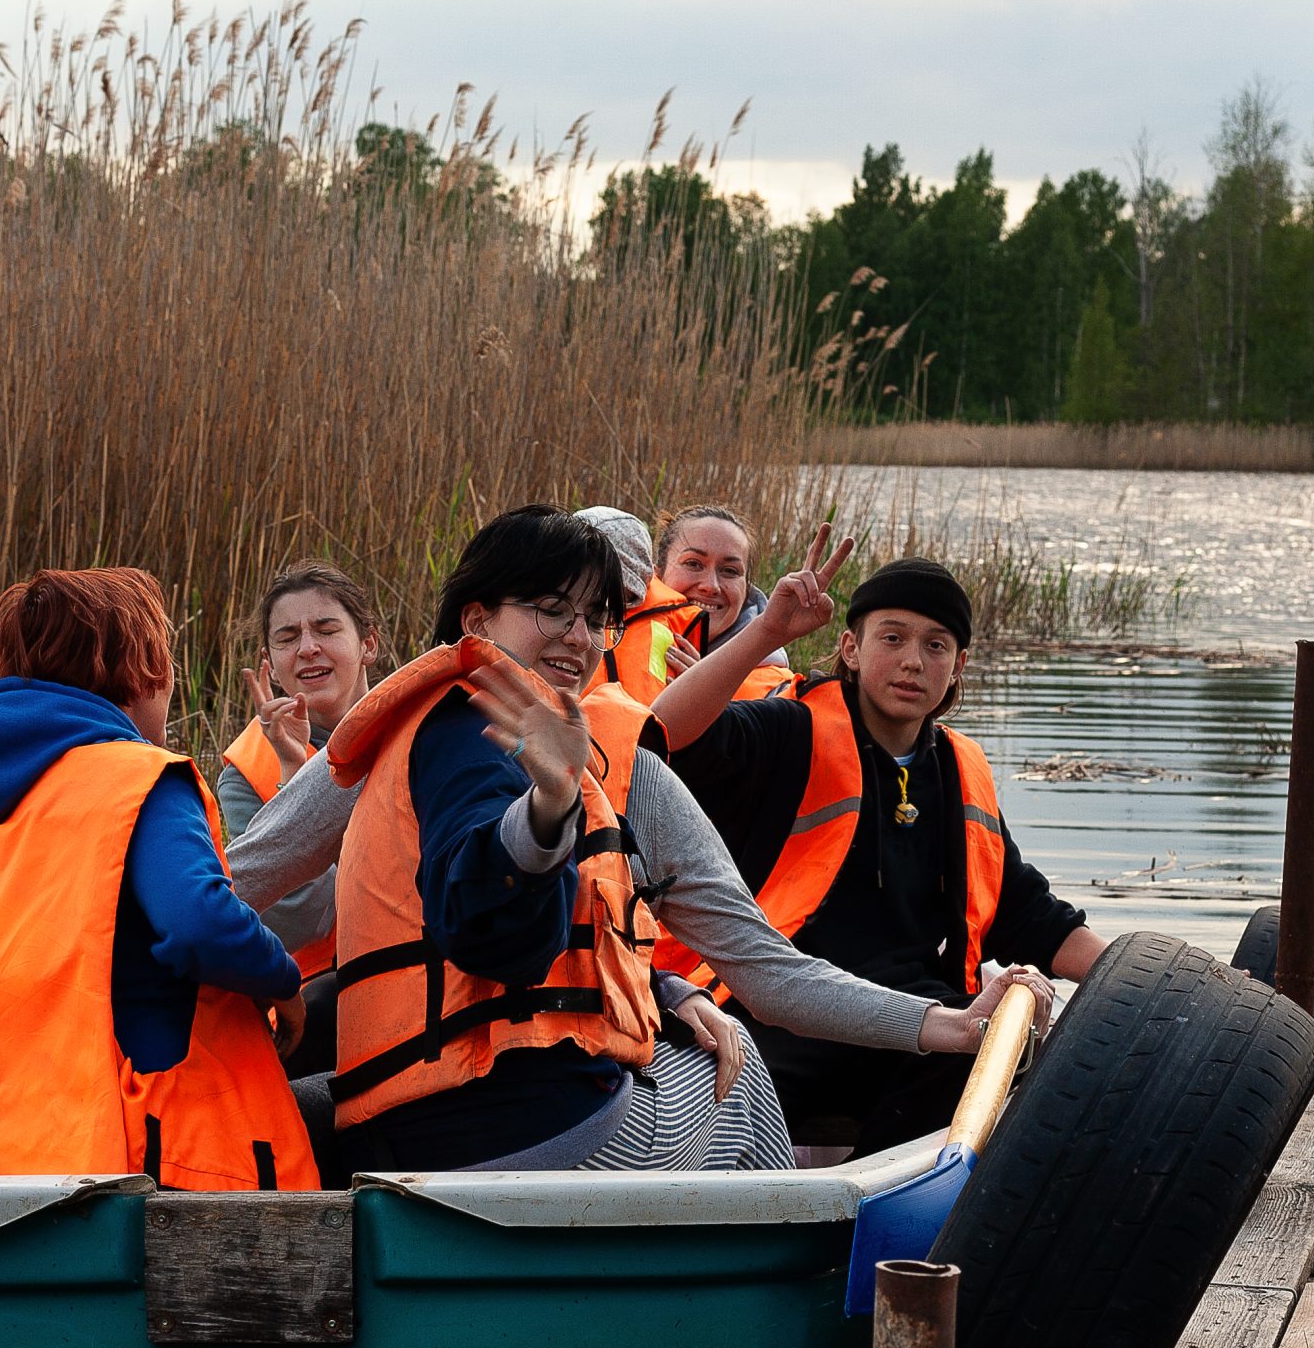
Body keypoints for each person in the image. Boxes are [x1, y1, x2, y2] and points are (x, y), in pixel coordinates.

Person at [227, 506, 1050, 1175]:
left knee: (712, 1027)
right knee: (744, 1072)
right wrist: (549, 805)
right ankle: (775, 1310)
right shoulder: (608, 760)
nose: (579, 638)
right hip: (534, 1128)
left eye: (595, 618)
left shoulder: (391, 727)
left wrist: (941, 1023)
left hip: (400, 1119)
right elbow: (757, 974)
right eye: (552, 611)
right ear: (477, 616)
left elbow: (232, 882)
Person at [0, 567, 319, 1191]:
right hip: (131, 1162)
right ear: (140, 671)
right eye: (164, 662)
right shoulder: (139, 779)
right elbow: (199, 921)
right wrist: (282, 983)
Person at [652, 549, 1107, 1156]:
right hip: (784, 1013)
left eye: (936, 646)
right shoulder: (789, 730)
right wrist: (768, 631)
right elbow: (661, 739)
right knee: (728, 1086)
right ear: (851, 649)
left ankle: (883, 1223)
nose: (913, 661)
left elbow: (1028, 914)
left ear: (958, 667)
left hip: (918, 1022)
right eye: (892, 638)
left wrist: (1154, 977)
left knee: (1007, 1066)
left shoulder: (959, 772)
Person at [217, 563, 380, 980]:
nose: (308, 648)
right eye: (288, 638)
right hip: (322, 1003)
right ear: (270, 664)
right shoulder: (243, 774)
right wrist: (297, 773)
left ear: (368, 644)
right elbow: (298, 915)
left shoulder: (419, 731)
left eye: (326, 630)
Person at [599, 504, 796, 706]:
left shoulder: (778, 691)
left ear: (746, 589)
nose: (711, 586)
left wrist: (706, 696)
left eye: (730, 571)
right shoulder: (600, 632)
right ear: (657, 574)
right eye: (693, 564)